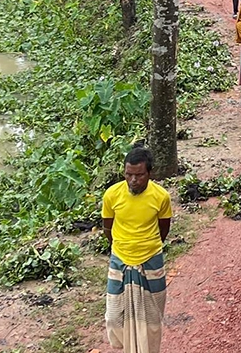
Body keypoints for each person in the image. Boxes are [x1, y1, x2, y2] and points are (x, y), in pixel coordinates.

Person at [102, 147, 173, 353]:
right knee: (115, 318)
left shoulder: (161, 197)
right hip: (120, 260)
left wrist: (147, 246)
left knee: (152, 320)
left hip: (151, 260)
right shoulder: (112, 195)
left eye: (139, 175)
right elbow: (108, 227)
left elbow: (164, 228)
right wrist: (123, 246)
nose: (133, 180)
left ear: (149, 173)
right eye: (129, 174)